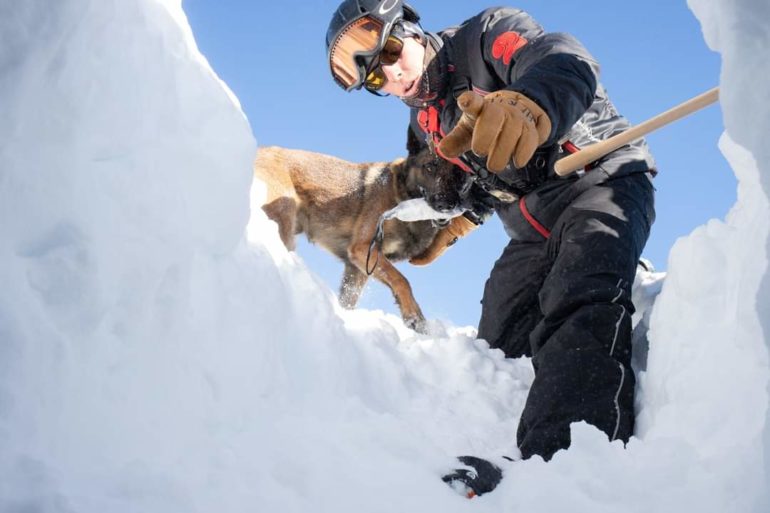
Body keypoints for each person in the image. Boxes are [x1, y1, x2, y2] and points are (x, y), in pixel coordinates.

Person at [326, 0, 656, 493]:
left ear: (411, 29)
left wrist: (531, 101)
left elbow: (564, 58)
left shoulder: (485, 38)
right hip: (531, 225)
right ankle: (501, 449)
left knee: (578, 296)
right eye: (376, 79)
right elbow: (467, 192)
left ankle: (566, 466)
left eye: (392, 51)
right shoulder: (424, 128)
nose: (393, 75)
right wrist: (447, 212)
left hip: (599, 179)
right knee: (498, 344)